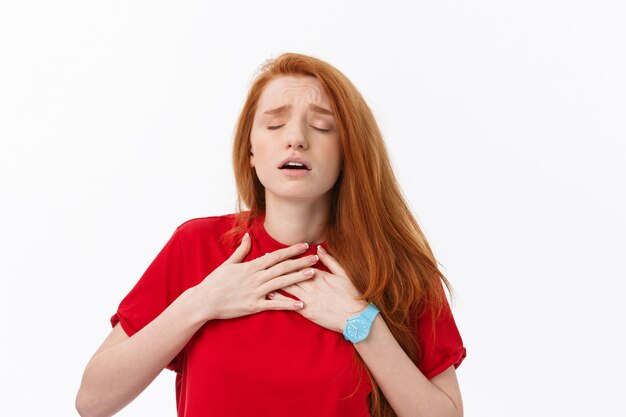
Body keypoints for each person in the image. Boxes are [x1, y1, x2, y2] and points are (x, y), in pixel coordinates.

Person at [76, 52, 466, 417]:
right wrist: (201, 303)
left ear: (350, 151)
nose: (296, 138)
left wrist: (362, 324)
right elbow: (93, 402)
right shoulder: (196, 246)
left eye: (321, 125)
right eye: (275, 123)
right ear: (250, 151)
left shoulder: (398, 268)